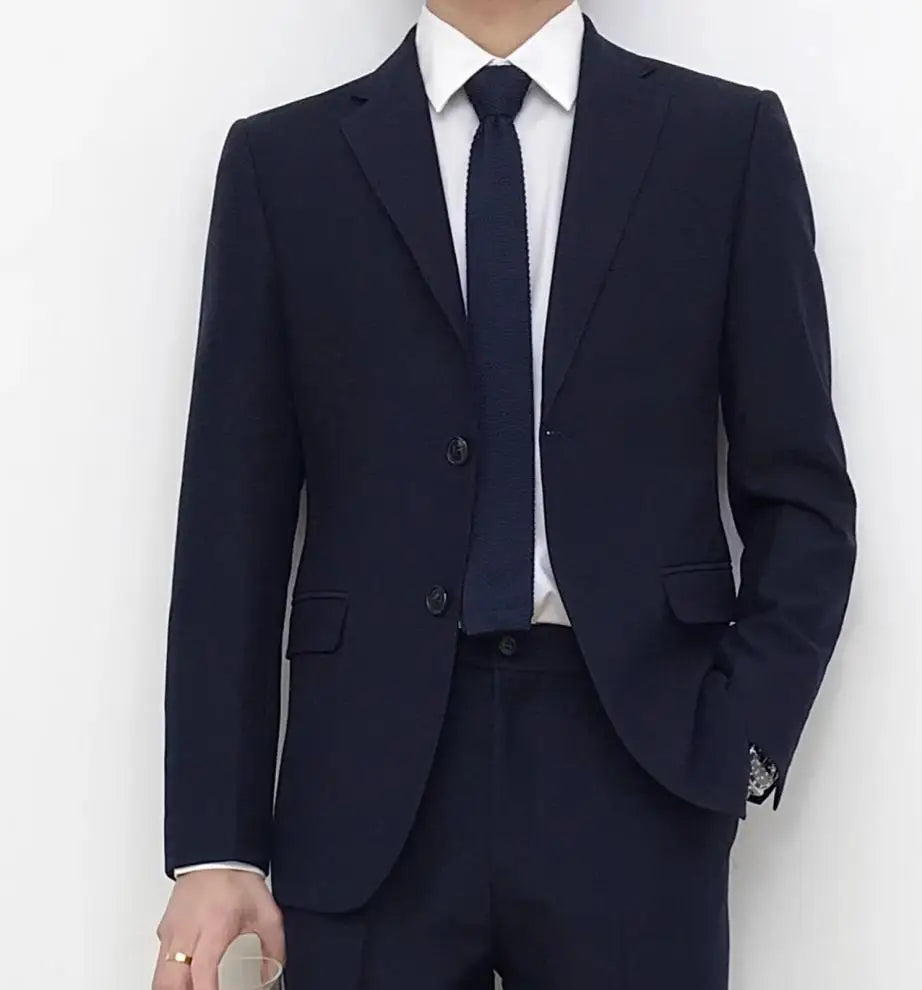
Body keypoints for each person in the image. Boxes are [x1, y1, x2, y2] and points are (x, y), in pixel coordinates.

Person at [154, 1, 856, 987]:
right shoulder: (286, 165)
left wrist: (738, 740)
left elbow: (802, 495)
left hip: (635, 771)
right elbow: (231, 527)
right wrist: (216, 845)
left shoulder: (723, 144)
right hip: (364, 780)